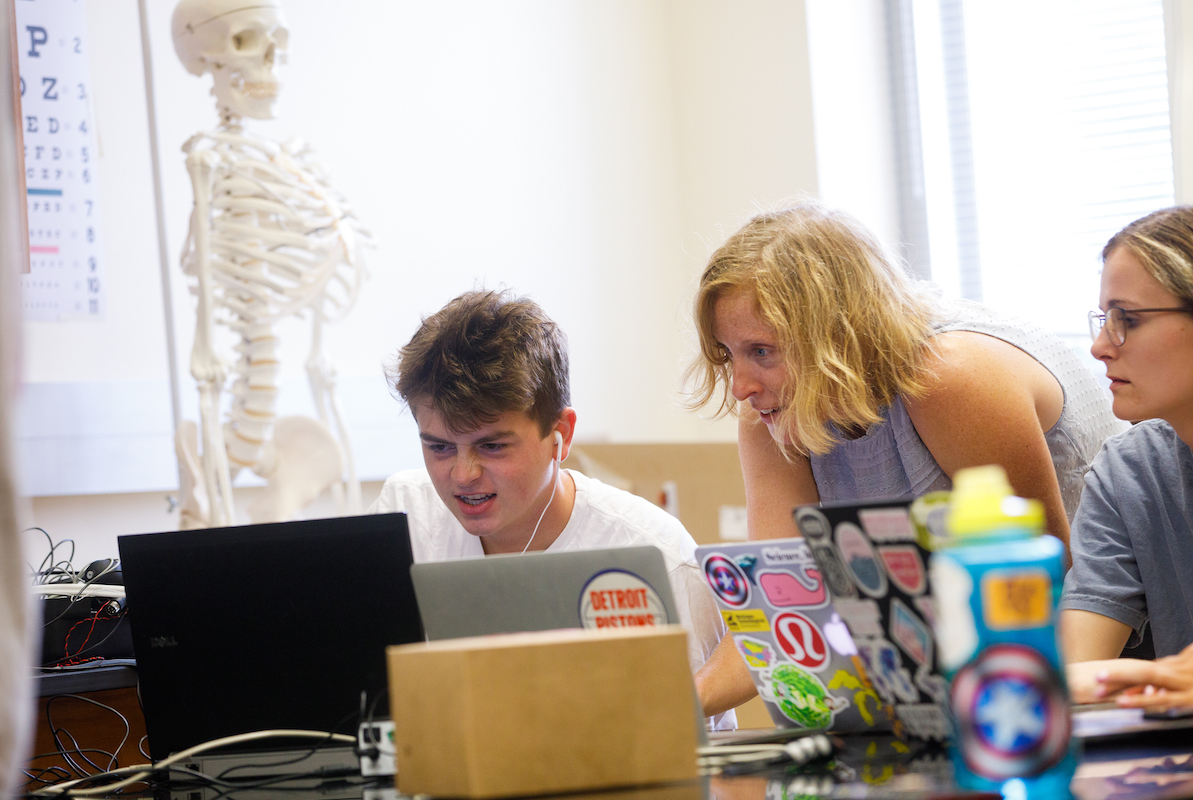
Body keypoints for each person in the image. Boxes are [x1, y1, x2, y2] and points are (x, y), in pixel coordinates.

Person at [685, 201, 1123, 717]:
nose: (740, 386)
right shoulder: (772, 416)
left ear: (837, 334)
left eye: (762, 351)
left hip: (1108, 649)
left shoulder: (949, 376)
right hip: (961, 677)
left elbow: (1045, 593)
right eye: (727, 353)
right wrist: (671, 709)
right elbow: (778, 615)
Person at [369, 290, 735, 729]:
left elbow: (707, 754)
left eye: (492, 446)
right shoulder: (402, 519)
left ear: (560, 433)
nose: (464, 475)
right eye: (440, 447)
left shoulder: (657, 556)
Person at [1061, 206, 1193, 703]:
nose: (1099, 347)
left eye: (1129, 320)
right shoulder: (1128, 470)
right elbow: (1081, 672)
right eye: (1104, 319)